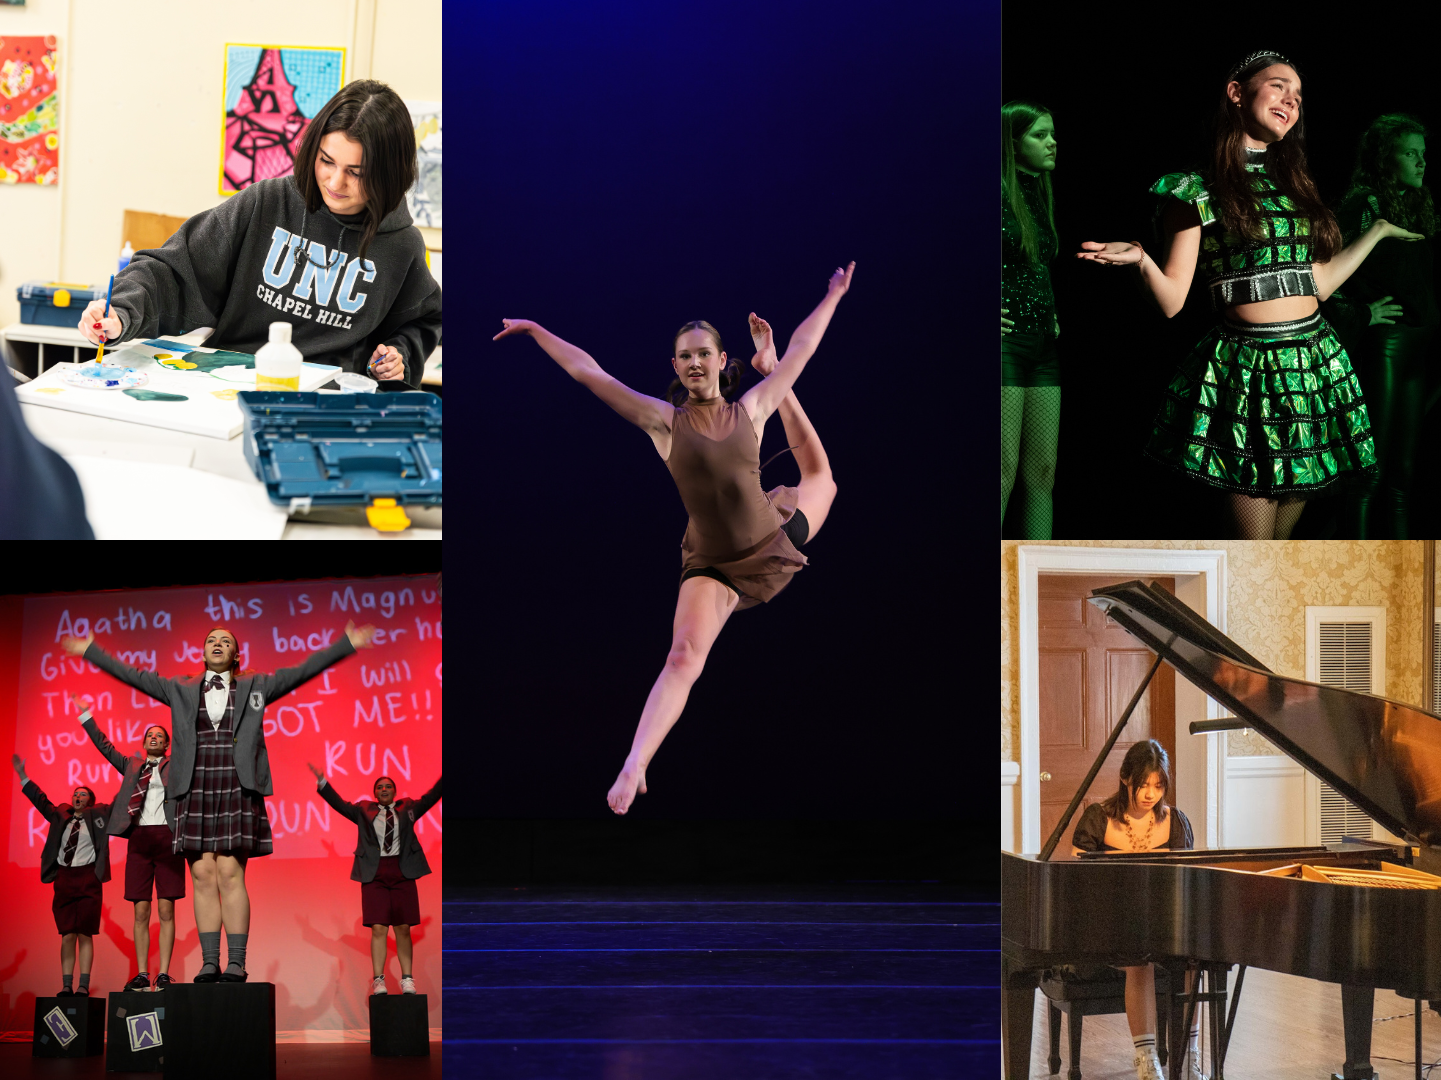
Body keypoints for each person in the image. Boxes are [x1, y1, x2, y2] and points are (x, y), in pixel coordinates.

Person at [493, 262, 852, 814]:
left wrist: (832, 296)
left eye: (702, 353)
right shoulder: (664, 422)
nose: (693, 362)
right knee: (683, 656)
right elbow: (592, 374)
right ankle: (636, 763)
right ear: (675, 366)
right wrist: (538, 331)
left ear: (720, 361)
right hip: (711, 561)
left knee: (822, 477)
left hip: (769, 537)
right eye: (684, 355)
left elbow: (805, 348)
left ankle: (767, 362)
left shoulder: (750, 408)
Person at [1077, 51, 1423, 539]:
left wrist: (1378, 231)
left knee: (1276, 557)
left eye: (1298, 96)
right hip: (1252, 372)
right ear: (1237, 93)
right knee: (1253, 553)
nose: (1291, 101)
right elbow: (1174, 300)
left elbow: (1318, 284)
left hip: (1313, 366)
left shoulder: (1294, 184)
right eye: (1279, 86)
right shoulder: (1195, 188)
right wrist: (1141, 259)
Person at [60, 621, 377, 982]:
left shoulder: (257, 685)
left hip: (235, 783)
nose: (217, 643)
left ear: (235, 654)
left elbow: (302, 671)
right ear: (203, 650)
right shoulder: (179, 687)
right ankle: (210, 962)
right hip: (194, 785)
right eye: (211, 639)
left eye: (225, 641)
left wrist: (346, 643)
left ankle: (236, 962)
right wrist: (90, 651)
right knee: (201, 874)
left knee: (229, 871)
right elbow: (133, 675)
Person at [75, 81, 440, 388]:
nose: (334, 181)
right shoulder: (267, 202)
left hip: (326, 406)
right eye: (326, 161)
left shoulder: (402, 246)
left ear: (388, 174)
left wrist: (398, 355)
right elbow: (174, 269)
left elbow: (422, 320)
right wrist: (121, 311)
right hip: (229, 388)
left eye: (356, 172)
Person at [1329, 115, 1437, 538]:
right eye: (1410, 153)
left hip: (1416, 346)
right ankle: (1352, 565)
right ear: (1384, 157)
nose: (1421, 162)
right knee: (1369, 472)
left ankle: (1399, 576)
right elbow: (1323, 271)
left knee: (1402, 476)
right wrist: (1361, 312)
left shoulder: (1415, 203)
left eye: (1423, 154)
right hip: (1386, 347)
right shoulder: (1366, 203)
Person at [1070, 740, 1203, 1080]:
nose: (1150, 794)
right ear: (1126, 778)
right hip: (1106, 923)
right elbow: (1075, 883)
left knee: (1193, 959)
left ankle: (1189, 1056)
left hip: (1163, 921)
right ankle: (1146, 1060)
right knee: (1137, 958)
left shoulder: (1176, 823)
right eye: (1144, 784)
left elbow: (1183, 884)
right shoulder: (1097, 819)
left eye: (1158, 785)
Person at [71, 692, 185, 991]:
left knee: (166, 910)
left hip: (167, 837)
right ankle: (143, 973)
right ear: (144, 741)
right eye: (150, 735)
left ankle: (164, 974)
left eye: (160, 736)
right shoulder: (132, 765)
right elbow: (105, 746)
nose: (154, 738)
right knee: (141, 911)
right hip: (139, 840)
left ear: (167, 744)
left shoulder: (176, 766)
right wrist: (86, 716)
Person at [307, 765, 443, 994]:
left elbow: (431, 798)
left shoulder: (408, 807)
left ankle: (407, 979)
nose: (384, 789)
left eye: (388, 786)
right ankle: (378, 979)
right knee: (378, 928)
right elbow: (340, 805)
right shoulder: (363, 810)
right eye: (380, 787)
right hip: (374, 873)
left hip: (403, 872)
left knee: (402, 928)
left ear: (395, 791)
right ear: (375, 793)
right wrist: (323, 783)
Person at [1002, 101, 1062, 539]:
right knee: (1001, 471)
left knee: (1042, 473)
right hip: (1005, 346)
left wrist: (1053, 311)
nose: (1052, 142)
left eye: (1052, 134)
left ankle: (1034, 575)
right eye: (1039, 135)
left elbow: (1036, 264)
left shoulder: (1039, 192)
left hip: (1042, 345)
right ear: (1012, 141)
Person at [12, 756, 114, 997]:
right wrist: (22, 775)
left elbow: (119, 801)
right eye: (75, 794)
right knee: (67, 933)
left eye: (83, 794)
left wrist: (132, 773)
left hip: (89, 878)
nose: (77, 797)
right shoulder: (60, 814)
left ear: (91, 800)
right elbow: (40, 801)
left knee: (85, 933)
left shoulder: (98, 817)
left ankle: (83, 986)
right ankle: (67, 985)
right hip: (65, 879)